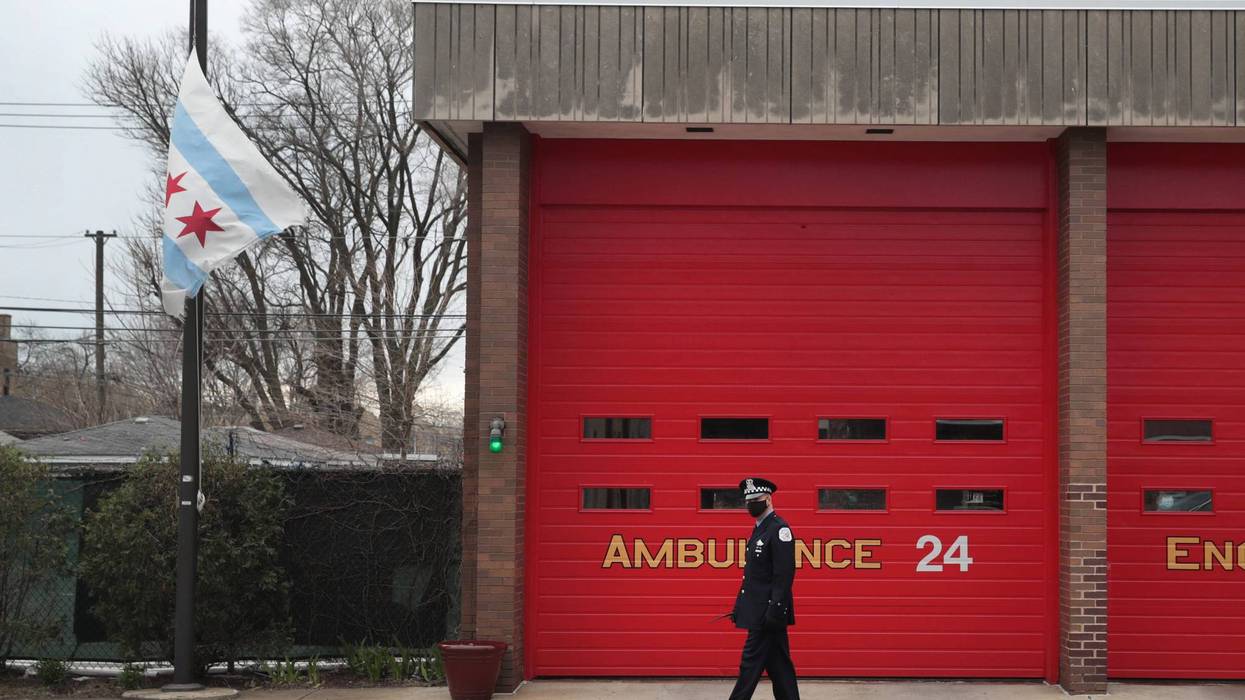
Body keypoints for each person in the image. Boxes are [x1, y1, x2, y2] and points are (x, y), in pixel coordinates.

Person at [729, 477, 800, 700]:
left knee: (749, 665)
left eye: (756, 500)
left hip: (767, 613)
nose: (750, 505)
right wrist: (740, 606)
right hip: (759, 611)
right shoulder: (759, 529)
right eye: (748, 501)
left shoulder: (779, 530)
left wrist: (775, 610)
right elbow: (753, 576)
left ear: (768, 499)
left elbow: (784, 574)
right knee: (780, 668)